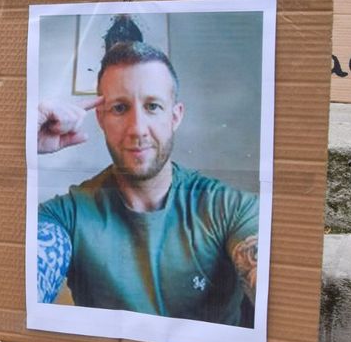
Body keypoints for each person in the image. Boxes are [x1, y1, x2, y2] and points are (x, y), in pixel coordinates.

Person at [35, 17, 258, 325]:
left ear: (175, 116)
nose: (137, 129)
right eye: (120, 108)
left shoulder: (230, 208)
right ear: (100, 118)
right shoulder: (67, 215)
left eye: (153, 106)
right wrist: (19, 142)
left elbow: (282, 299)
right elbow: (8, 291)